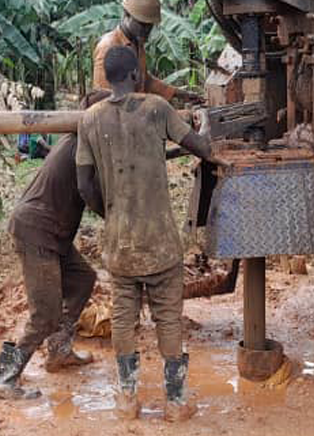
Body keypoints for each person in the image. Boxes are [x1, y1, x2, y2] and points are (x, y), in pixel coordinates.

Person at [76, 46, 212, 422]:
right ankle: (176, 401)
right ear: (135, 75)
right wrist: (206, 124)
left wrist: (112, 213)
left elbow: (85, 185)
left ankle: (127, 399)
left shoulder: (89, 120)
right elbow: (201, 147)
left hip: (120, 244)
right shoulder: (156, 108)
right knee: (168, 319)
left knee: (123, 318)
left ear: (107, 78)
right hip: (161, 244)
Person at [0, 93, 109, 400]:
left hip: (53, 233)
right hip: (38, 230)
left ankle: (59, 350)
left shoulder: (77, 140)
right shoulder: (81, 146)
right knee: (45, 313)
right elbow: (88, 190)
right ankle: (5, 377)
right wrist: (114, 217)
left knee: (83, 279)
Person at [93, 0, 201, 103]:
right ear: (126, 15)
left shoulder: (136, 43)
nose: (147, 30)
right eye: (142, 24)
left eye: (150, 25)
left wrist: (178, 93)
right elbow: (106, 98)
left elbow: (145, 80)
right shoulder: (109, 47)